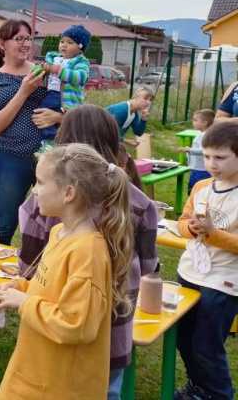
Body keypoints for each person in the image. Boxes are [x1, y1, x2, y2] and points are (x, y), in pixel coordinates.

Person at [17, 104, 158, 398]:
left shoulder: (48, 201)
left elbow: (28, 265)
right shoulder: (140, 202)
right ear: (113, 138)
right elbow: (147, 268)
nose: (37, 188)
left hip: (61, 322)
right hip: (114, 327)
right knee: (107, 389)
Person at [0, 144, 135, 400]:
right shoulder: (58, 233)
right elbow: (51, 288)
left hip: (61, 386)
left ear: (68, 193)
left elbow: (77, 325)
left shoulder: (87, 252)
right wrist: (16, 289)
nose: (34, 190)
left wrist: (24, 303)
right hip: (37, 369)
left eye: (40, 182)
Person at [0, 19, 63, 245]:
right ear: (1, 44)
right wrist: (24, 91)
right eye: (19, 39)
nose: (26, 44)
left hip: (49, 158)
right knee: (4, 224)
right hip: (11, 158)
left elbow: (73, 107)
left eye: (29, 38)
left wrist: (58, 117)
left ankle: (46, 275)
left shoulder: (46, 73)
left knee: (52, 225)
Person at [173, 122, 238, 400]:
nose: (212, 163)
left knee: (207, 346)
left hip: (222, 282)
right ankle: (197, 387)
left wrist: (213, 234)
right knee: (183, 338)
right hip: (189, 273)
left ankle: (219, 394)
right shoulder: (201, 185)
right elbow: (182, 220)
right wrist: (191, 229)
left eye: (220, 158)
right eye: (208, 156)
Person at [36, 24, 91, 143]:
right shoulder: (54, 59)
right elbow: (48, 76)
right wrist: (44, 69)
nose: (64, 45)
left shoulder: (81, 62)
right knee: (41, 113)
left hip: (67, 99)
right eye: (62, 41)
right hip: (52, 94)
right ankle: (48, 139)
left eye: (70, 43)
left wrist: (60, 71)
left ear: (80, 48)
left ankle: (56, 139)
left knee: (65, 123)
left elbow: (80, 77)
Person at [176, 109, 215, 193]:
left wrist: (188, 150)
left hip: (200, 170)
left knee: (195, 191)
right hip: (199, 168)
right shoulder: (204, 134)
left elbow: (205, 150)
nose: (193, 122)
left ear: (204, 123)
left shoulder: (205, 135)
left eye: (195, 120)